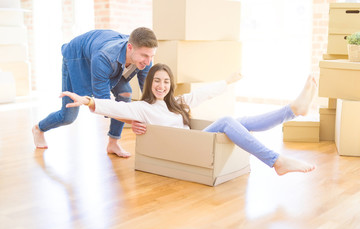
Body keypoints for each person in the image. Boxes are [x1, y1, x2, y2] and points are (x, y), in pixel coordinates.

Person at [61, 63, 316, 176]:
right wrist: (88, 100)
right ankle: (277, 160)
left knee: (240, 122)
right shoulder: (142, 108)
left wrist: (226, 81)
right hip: (186, 150)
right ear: (150, 84)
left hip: (195, 144)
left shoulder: (177, 103)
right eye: (157, 81)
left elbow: (202, 94)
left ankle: (292, 110)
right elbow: (114, 106)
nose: (161, 86)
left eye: (166, 81)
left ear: (170, 85)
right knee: (228, 121)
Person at [32, 27, 158, 158]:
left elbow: (149, 93)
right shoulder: (104, 57)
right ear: (130, 47)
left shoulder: (145, 57)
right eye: (144, 56)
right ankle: (38, 128)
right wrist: (134, 121)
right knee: (68, 116)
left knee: (125, 94)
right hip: (77, 57)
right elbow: (103, 105)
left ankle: (113, 143)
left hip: (108, 60)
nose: (148, 62)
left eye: (151, 56)